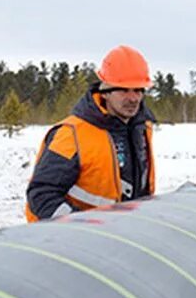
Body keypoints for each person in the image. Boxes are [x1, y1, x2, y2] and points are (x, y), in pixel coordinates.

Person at [25, 45, 156, 222]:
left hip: (124, 236)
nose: (133, 98)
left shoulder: (142, 129)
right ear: (105, 91)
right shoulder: (71, 135)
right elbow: (41, 195)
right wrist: (83, 226)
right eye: (124, 89)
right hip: (75, 242)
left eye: (139, 90)